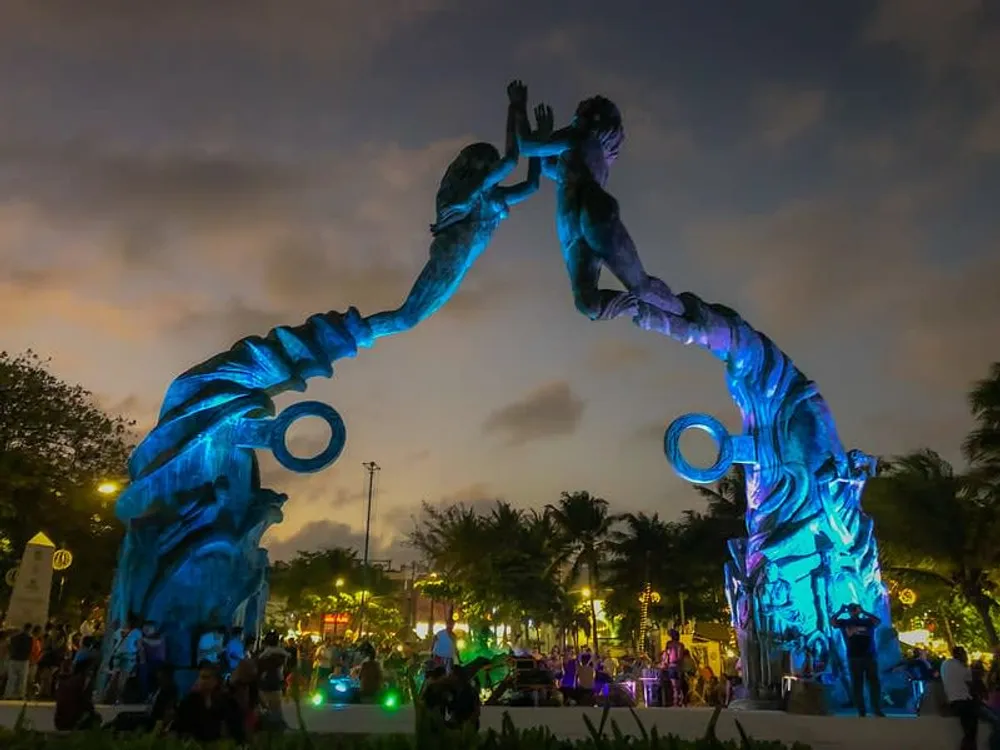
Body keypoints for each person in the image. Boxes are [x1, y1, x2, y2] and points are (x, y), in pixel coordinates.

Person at [364, 80, 547, 340]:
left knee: (407, 318)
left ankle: (353, 332)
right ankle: (351, 332)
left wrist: (538, 145)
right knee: (406, 318)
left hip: (459, 266)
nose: (495, 172)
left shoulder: (488, 196)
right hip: (450, 260)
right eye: (489, 166)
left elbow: (531, 186)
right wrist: (516, 107)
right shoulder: (462, 194)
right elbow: (510, 161)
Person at [516, 92, 684, 322]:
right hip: (572, 227)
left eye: (580, 115)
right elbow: (545, 166)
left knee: (639, 287)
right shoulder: (576, 156)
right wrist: (542, 135)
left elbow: (525, 147)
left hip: (590, 214)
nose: (575, 120)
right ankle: (656, 311)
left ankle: (683, 311)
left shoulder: (581, 137)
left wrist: (518, 106)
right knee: (588, 303)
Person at [830, 603, 885, 717]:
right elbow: (833, 622)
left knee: (874, 683)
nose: (854, 611)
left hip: (869, 656)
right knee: (857, 684)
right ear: (849, 611)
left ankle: (876, 708)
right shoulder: (845, 622)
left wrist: (864, 611)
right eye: (852, 609)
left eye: (855, 609)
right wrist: (841, 611)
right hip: (854, 657)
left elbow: (878, 621)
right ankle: (861, 710)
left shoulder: (867, 622)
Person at [173, 662, 245, 744]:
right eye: (200, 677)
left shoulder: (227, 703)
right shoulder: (188, 702)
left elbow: (235, 732)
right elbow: (180, 729)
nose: (201, 681)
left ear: (216, 681)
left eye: (205, 677)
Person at [941, 646, 978, 750]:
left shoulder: (945, 664)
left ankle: (968, 744)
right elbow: (970, 684)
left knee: (967, 725)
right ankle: (969, 745)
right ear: (962, 654)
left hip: (952, 701)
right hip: (964, 700)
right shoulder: (963, 667)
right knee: (973, 723)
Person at [53, 659, 100, 731]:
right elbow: (85, 702)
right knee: (95, 718)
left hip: (59, 720)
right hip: (72, 721)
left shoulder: (60, 682)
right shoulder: (78, 682)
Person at [256, 631, 288, 720]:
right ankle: (276, 727)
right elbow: (284, 666)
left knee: (263, 710)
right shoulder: (282, 654)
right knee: (276, 710)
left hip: (263, 685)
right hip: (276, 684)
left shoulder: (262, 654)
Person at [5, 623, 33, 699]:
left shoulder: (14, 637)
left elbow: (9, 647)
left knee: (11, 679)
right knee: (22, 679)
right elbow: (29, 650)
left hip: (13, 659)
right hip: (23, 660)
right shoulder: (29, 638)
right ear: (29, 629)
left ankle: (8, 694)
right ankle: (21, 695)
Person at [661, 629, 684, 707]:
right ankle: (677, 700)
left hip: (671, 666)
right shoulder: (680, 645)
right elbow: (680, 657)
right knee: (678, 685)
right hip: (677, 667)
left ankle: (675, 700)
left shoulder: (669, 644)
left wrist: (664, 663)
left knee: (674, 685)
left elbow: (666, 655)